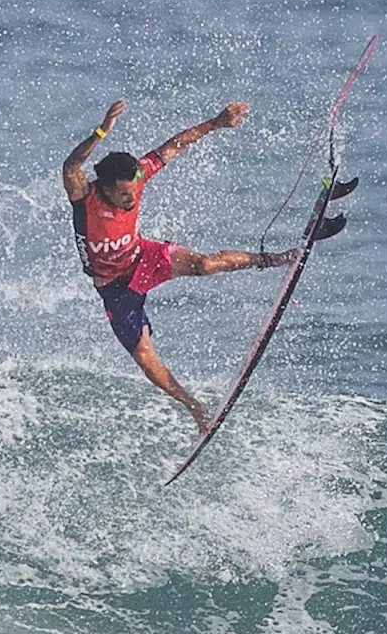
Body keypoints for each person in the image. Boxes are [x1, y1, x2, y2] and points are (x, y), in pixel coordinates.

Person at [63, 99, 298, 433]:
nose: (132, 199)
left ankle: (277, 259)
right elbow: (71, 165)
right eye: (124, 195)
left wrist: (217, 122)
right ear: (105, 188)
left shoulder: (138, 175)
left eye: (134, 191)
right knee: (145, 359)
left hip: (142, 257)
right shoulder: (84, 197)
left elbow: (175, 144)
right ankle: (195, 407)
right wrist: (102, 131)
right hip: (114, 289)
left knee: (204, 264)